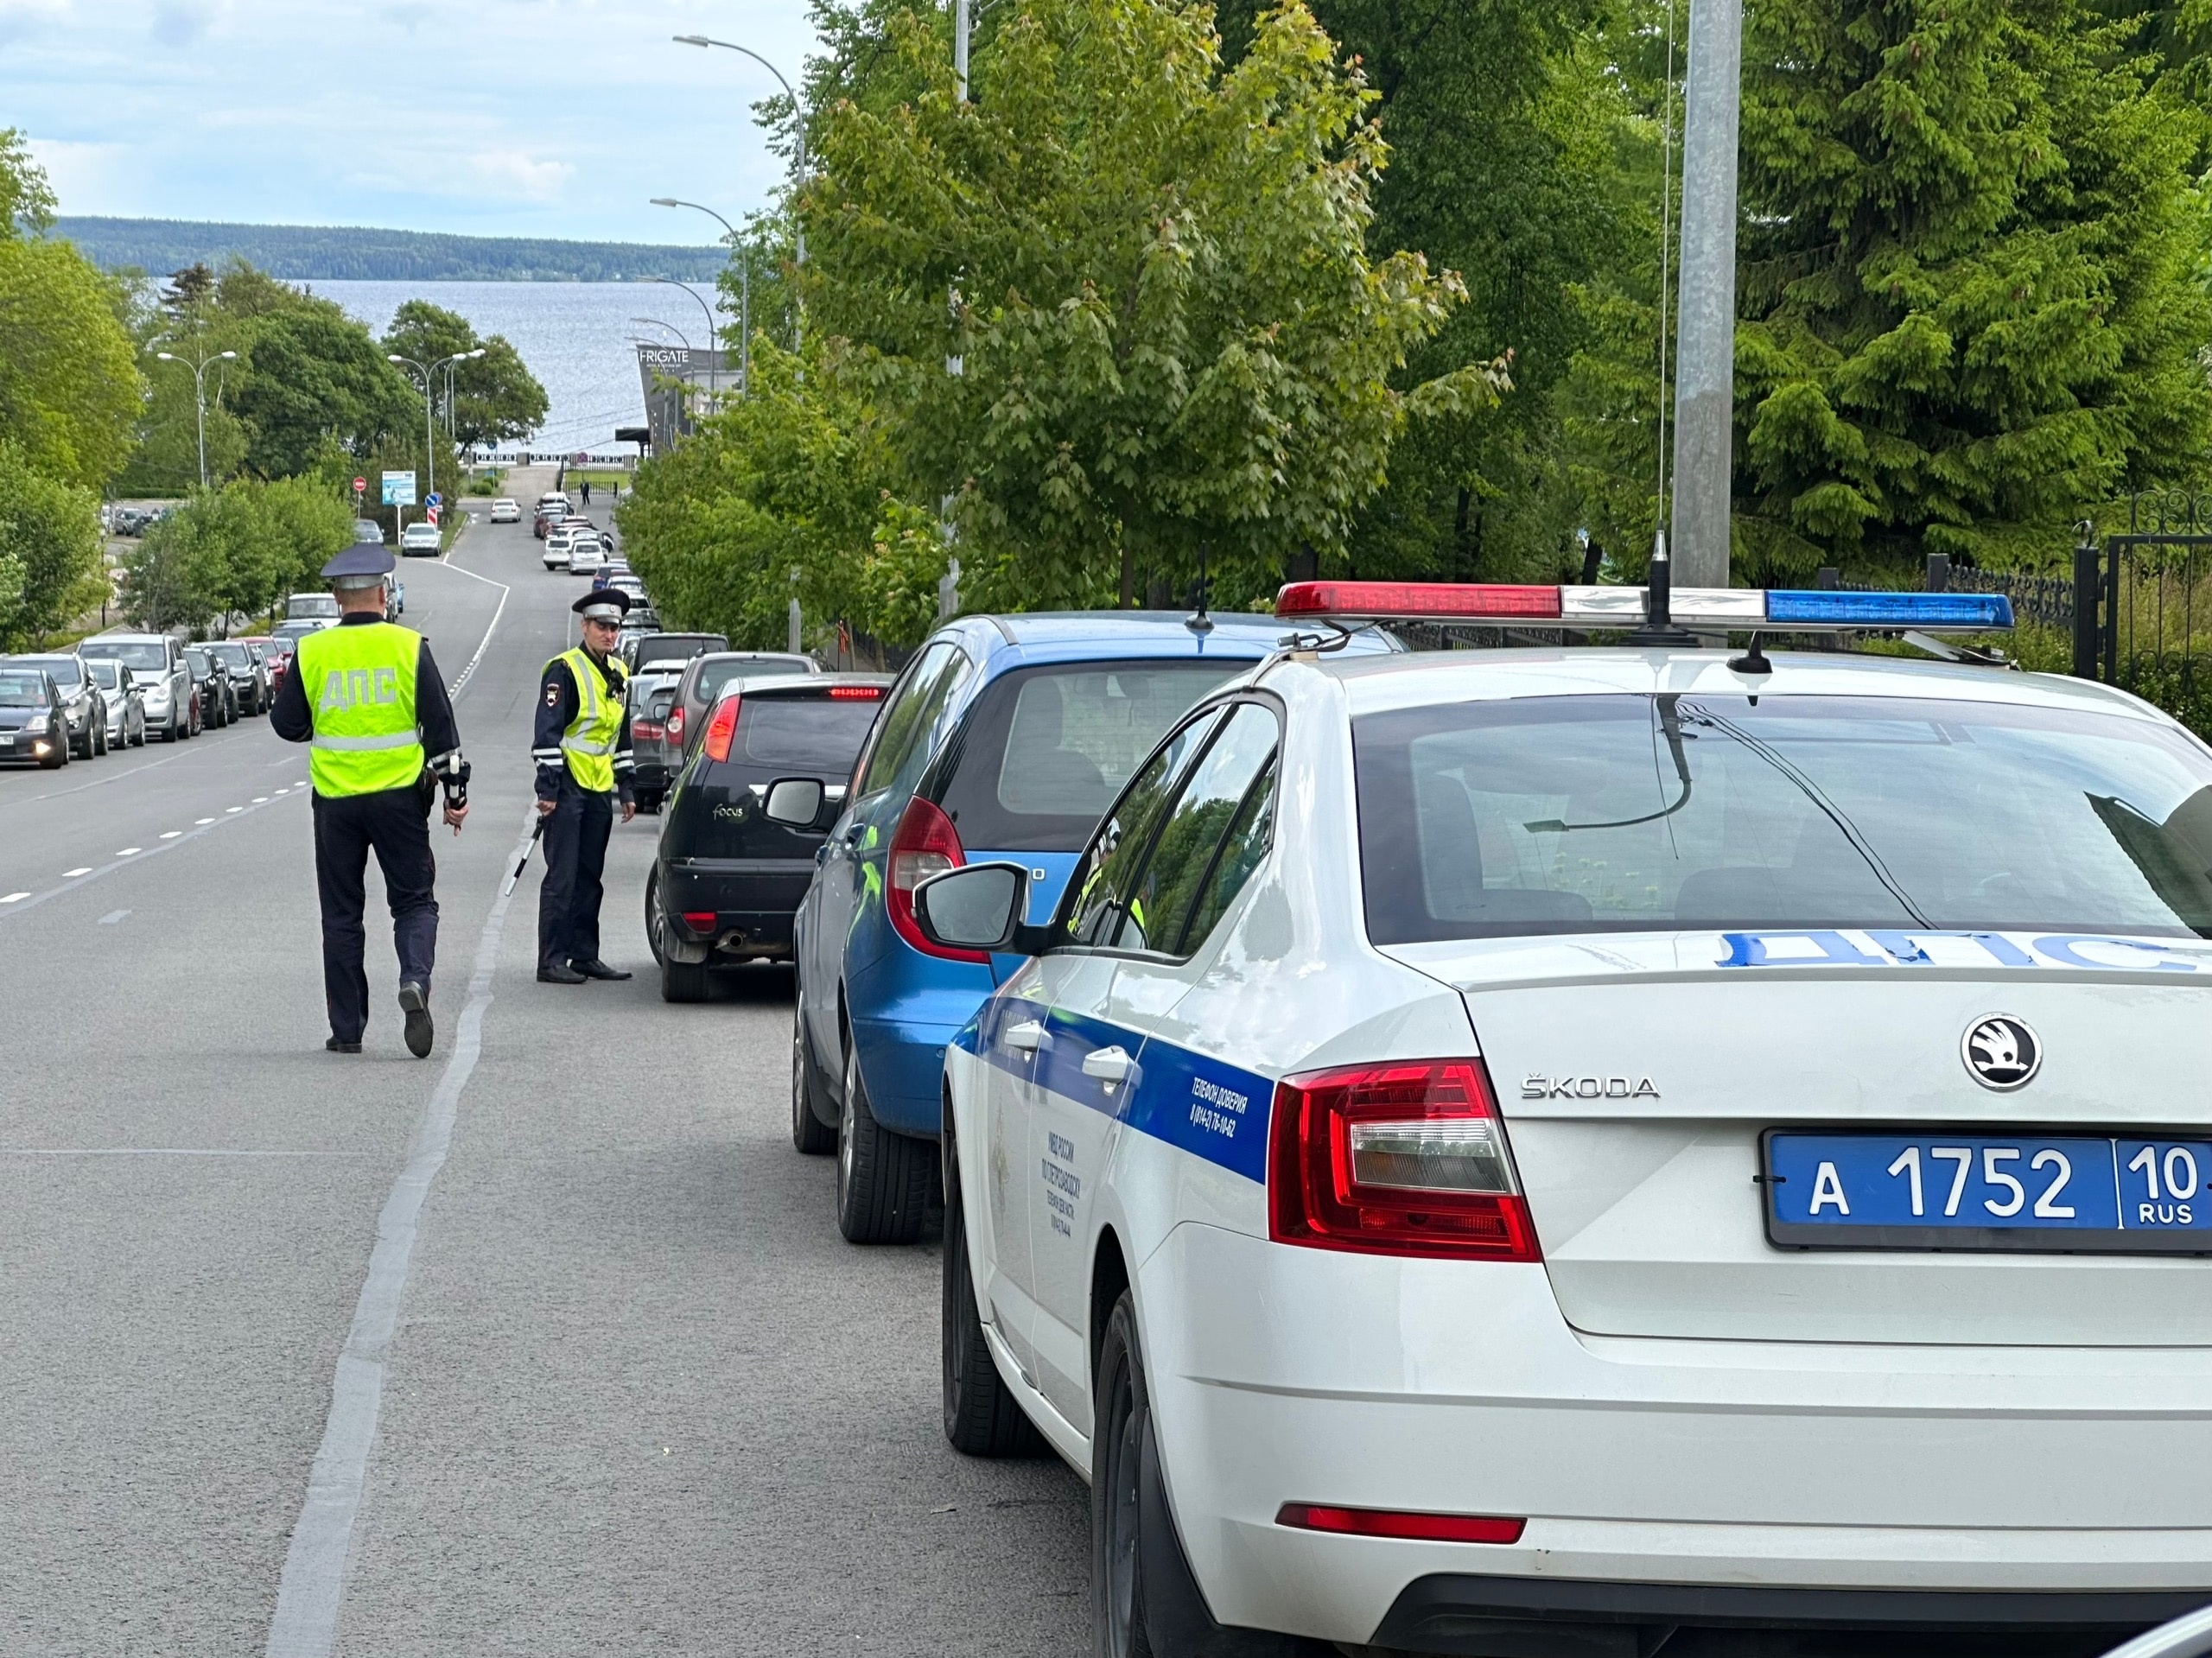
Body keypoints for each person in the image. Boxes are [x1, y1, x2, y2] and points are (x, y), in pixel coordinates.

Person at [272, 542, 468, 1057]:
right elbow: (442, 729)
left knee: (341, 915)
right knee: (414, 901)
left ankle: (347, 1030)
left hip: (336, 801)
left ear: (338, 598)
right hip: (400, 800)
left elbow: (286, 723)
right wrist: (455, 795)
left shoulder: (312, 652)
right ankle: (415, 980)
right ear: (384, 593)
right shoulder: (408, 647)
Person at [534, 587, 637, 984]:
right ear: (585, 626)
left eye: (614, 628)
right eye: (602, 627)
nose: (609, 634)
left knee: (590, 876)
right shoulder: (563, 669)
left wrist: (626, 788)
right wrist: (547, 789)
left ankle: (584, 955)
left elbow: (619, 737)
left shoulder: (620, 672)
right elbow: (546, 735)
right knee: (562, 875)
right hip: (566, 787)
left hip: (598, 787)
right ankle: (551, 959)